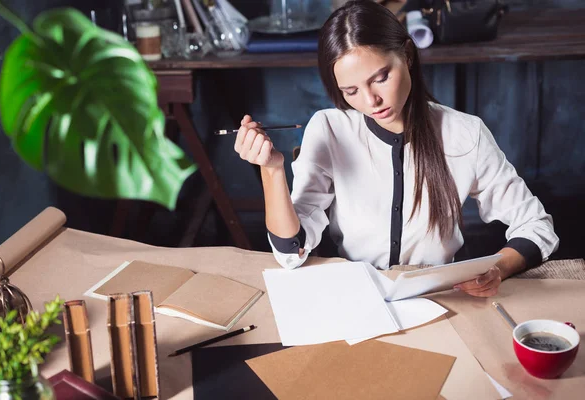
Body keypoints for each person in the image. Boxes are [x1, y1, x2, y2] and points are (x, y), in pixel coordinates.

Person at [233, 0, 558, 297]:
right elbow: (292, 252)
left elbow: (536, 225)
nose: (370, 101)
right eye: (351, 90)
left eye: (380, 77)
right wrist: (272, 169)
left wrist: (498, 267)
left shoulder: (464, 133)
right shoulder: (330, 129)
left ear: (407, 54)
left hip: (444, 297)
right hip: (358, 297)